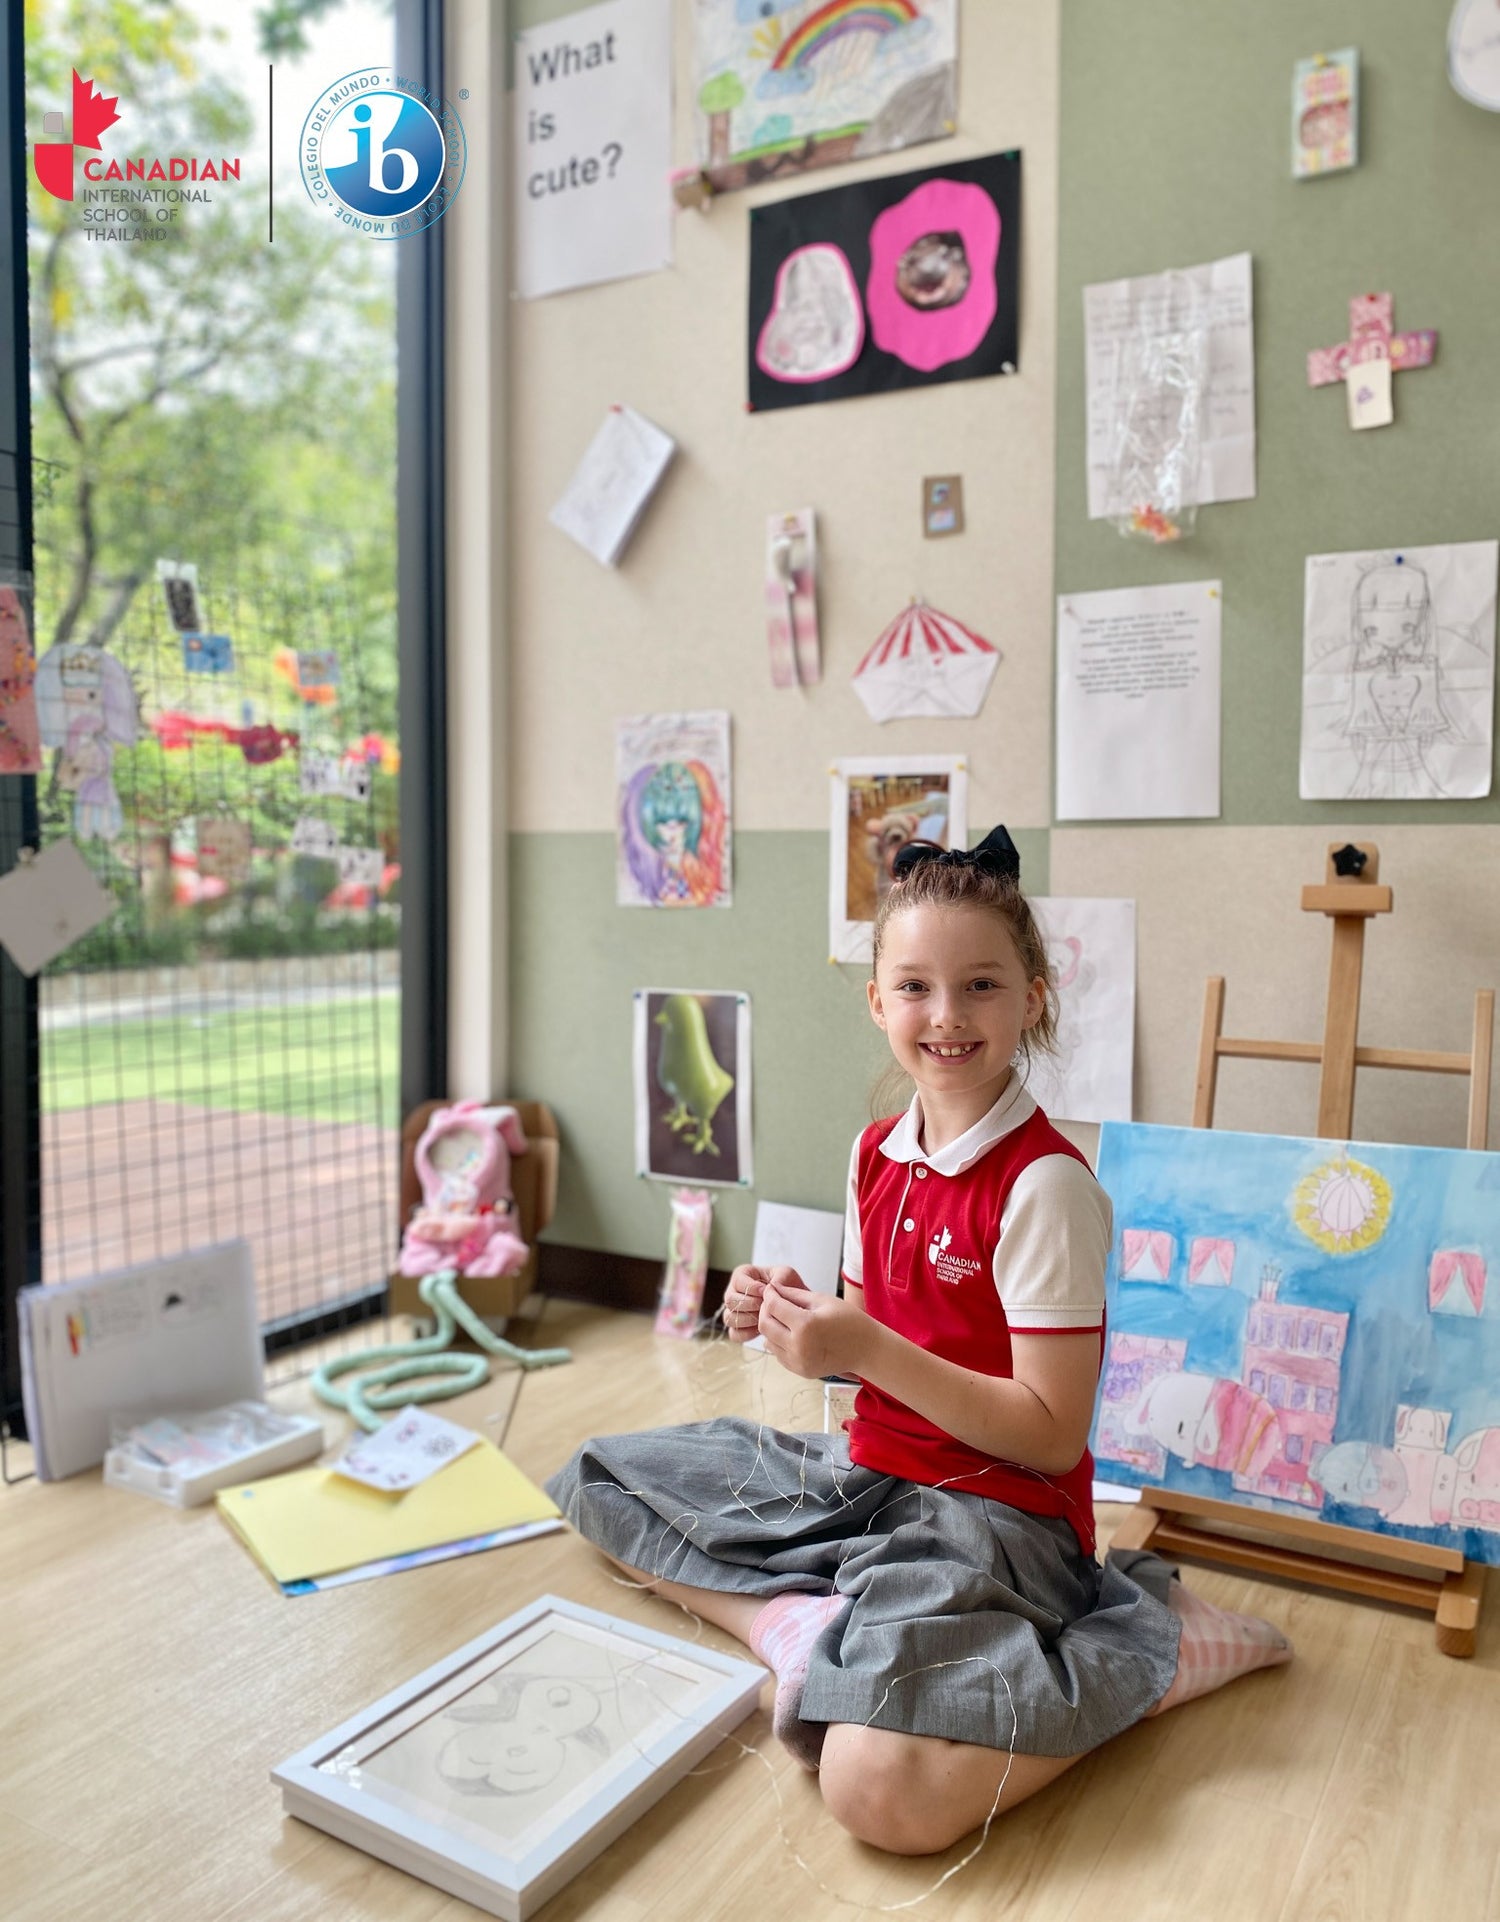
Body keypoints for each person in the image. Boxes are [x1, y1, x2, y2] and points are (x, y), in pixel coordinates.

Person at [547, 827, 1291, 1856]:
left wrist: (867, 1348)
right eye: (915, 987)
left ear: (1033, 998)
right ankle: (792, 1629)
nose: (946, 1014)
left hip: (999, 1517)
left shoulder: (1046, 1186)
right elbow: (870, 1347)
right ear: (877, 1002)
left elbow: (1051, 1433)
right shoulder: (874, 1153)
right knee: (600, 1477)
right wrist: (788, 1315)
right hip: (873, 1478)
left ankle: (1151, 1659)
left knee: (874, 1791)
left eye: (981, 985)